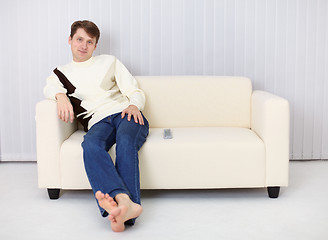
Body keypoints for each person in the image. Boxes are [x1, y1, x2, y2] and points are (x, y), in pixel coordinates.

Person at [43, 20, 149, 232]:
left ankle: (124, 213)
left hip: (124, 113)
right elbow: (49, 86)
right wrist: (60, 96)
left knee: (126, 143)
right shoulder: (60, 74)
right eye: (79, 39)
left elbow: (134, 90)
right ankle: (124, 202)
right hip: (97, 121)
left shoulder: (110, 62)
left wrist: (134, 106)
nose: (84, 45)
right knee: (90, 145)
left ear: (95, 45)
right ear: (70, 40)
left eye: (89, 41)